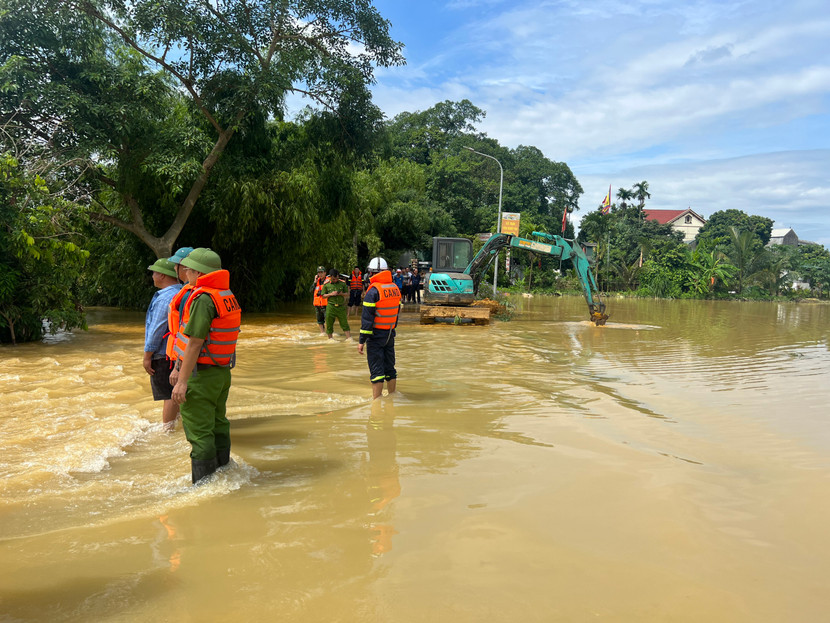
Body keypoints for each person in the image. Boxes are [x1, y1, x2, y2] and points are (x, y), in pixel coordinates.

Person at [170, 248, 241, 485]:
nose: (186, 273)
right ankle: (224, 474)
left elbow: (194, 343)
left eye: (188, 269)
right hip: (221, 373)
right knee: (219, 423)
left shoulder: (203, 299)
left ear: (198, 272)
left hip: (201, 376)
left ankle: (204, 490)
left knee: (200, 434)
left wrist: (182, 380)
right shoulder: (225, 294)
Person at [144, 258, 183, 431]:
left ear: (161, 275)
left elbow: (156, 329)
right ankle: (178, 424)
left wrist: (147, 356)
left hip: (164, 354)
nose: (152, 276)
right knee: (177, 391)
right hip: (180, 352)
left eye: (153, 272)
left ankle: (167, 432)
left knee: (169, 394)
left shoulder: (164, 298)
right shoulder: (184, 291)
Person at [357, 257, 401, 399]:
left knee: (377, 372)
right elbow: (396, 312)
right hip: (390, 333)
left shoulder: (373, 292)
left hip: (375, 336)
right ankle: (392, 397)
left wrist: (361, 341)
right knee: (390, 369)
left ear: (372, 273)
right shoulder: (394, 288)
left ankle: (376, 403)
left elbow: (367, 320)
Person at [322, 268, 351, 339]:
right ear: (330, 277)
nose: (335, 280)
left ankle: (349, 339)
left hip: (341, 307)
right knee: (329, 324)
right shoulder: (326, 285)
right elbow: (323, 296)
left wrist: (341, 294)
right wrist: (331, 294)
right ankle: (330, 339)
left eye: (337, 278)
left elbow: (347, 294)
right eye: (334, 279)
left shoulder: (342, 283)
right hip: (331, 307)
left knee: (344, 323)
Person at [311, 266, 329, 334]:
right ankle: (322, 333)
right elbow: (311, 290)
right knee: (320, 321)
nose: (320, 274)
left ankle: (329, 333)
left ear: (325, 273)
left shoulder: (328, 281)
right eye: (319, 273)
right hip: (317, 305)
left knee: (328, 320)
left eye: (321, 272)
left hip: (326, 304)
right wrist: (314, 282)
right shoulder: (316, 282)